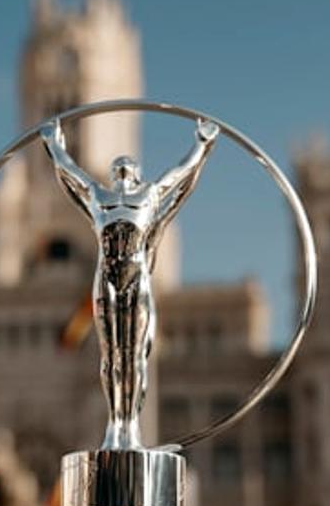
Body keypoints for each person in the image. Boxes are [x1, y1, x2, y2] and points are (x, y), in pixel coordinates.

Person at [39, 119, 219, 449]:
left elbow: (181, 177)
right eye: (118, 168)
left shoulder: (148, 197)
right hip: (106, 278)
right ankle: (115, 424)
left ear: (137, 175)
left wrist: (202, 145)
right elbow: (69, 176)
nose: (122, 171)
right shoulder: (99, 198)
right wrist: (53, 144)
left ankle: (131, 425)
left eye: (128, 168)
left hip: (137, 278)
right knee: (111, 356)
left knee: (134, 356)